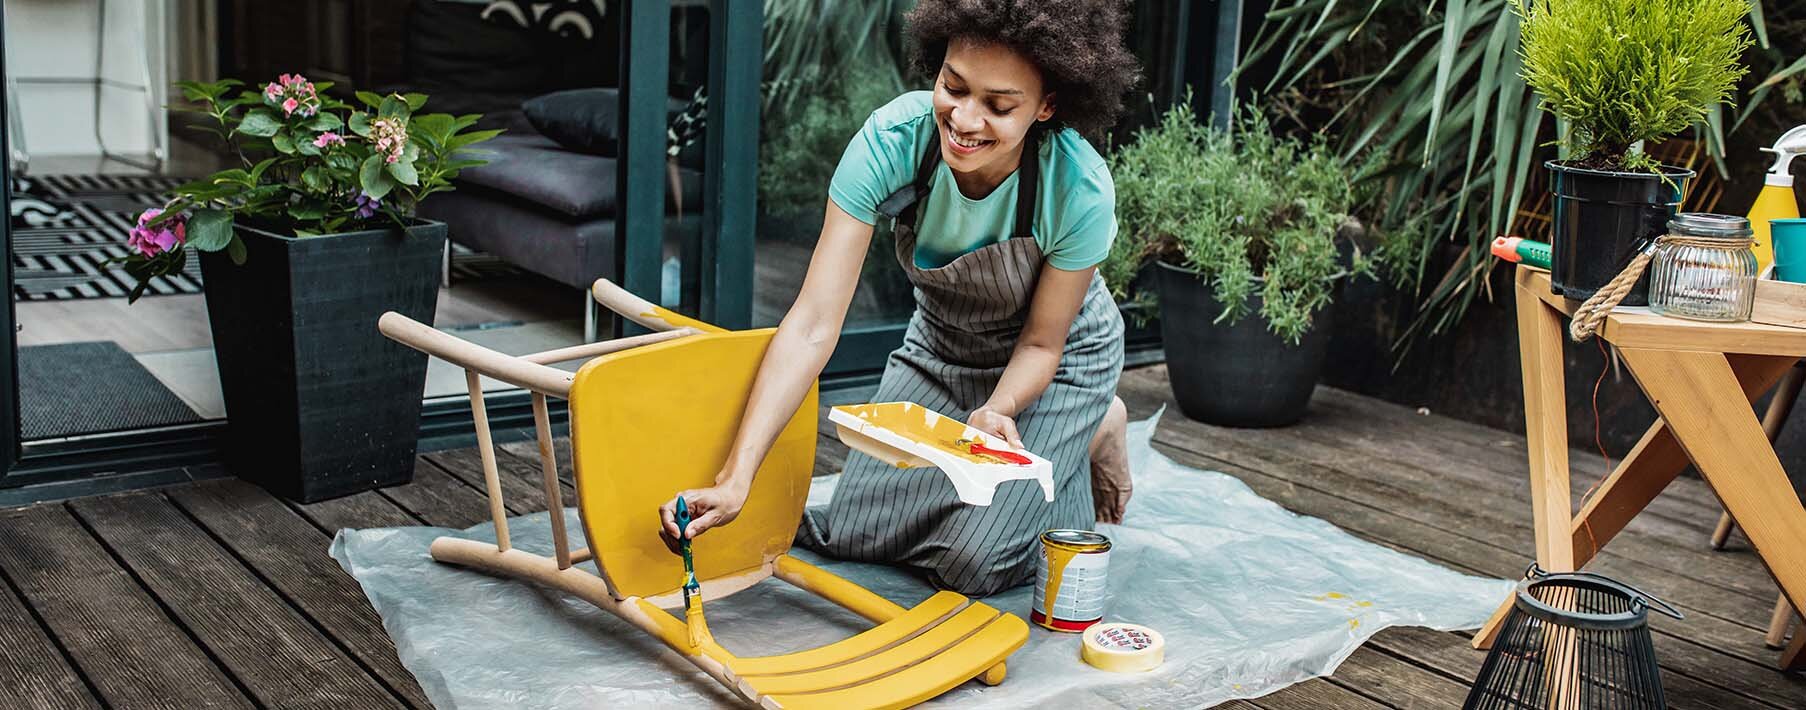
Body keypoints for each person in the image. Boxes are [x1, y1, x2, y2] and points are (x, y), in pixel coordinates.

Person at [660, 0, 1141, 596]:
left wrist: (1000, 410)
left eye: (999, 105)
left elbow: (1044, 343)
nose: (964, 120)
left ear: (1046, 105)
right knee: (854, 532)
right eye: (954, 86)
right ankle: (1059, 447)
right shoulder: (893, 143)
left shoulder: (1078, 187)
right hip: (942, 346)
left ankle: (1090, 425)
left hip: (1058, 362)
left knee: (975, 562)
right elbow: (812, 323)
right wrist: (736, 479)